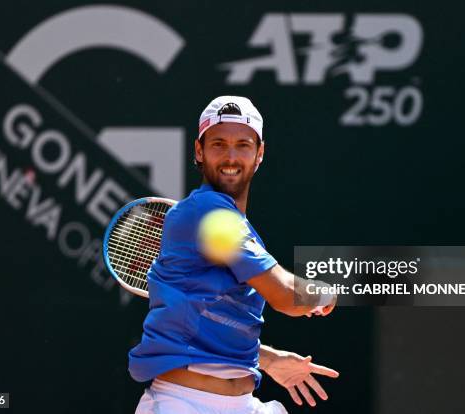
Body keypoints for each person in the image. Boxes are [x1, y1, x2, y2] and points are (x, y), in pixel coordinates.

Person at [130, 96, 338, 414]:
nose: (231, 156)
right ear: (199, 151)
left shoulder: (238, 228)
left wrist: (266, 359)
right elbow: (285, 295)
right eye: (218, 144)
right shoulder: (206, 211)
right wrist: (322, 293)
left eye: (243, 144)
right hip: (183, 405)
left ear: (260, 153)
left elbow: (206, 316)